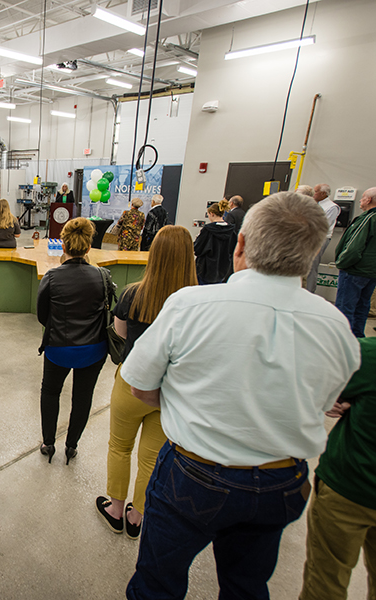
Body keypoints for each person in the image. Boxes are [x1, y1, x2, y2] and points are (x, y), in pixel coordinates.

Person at [121, 191, 361, 600]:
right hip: (281, 481)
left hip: (193, 474)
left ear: (242, 244)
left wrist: (186, 402)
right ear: (313, 252)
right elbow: (328, 402)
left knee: (158, 583)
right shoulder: (336, 325)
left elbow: (139, 385)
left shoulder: (190, 306)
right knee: (247, 585)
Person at [96, 226, 197, 540]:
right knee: (152, 456)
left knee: (119, 446)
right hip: (171, 390)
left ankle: (115, 508)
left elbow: (121, 332)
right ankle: (137, 516)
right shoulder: (197, 302)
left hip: (132, 382)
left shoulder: (132, 293)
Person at [299, 336, 376, 600]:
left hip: (350, 488)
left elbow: (313, 385)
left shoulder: (367, 355)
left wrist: (346, 398)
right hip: (352, 486)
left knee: (325, 583)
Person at [37, 218, 111, 465]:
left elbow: (42, 316)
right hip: (93, 350)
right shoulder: (102, 276)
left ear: (63, 246)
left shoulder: (52, 277)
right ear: (89, 247)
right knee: (83, 397)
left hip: (59, 348)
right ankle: (71, 446)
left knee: (50, 392)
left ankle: (48, 443)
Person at [334, 186, 376, 338]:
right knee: (362, 307)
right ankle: (357, 337)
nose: (360, 199)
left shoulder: (367, 219)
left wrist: (341, 263)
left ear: (369, 200)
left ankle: (342, 339)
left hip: (354, 271)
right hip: (371, 272)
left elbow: (353, 248)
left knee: (346, 307)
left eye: (363, 197)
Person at [306, 183, 340, 293]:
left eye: (315, 191)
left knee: (312, 266)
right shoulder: (312, 204)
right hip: (306, 237)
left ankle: (309, 292)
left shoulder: (331, 207)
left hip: (319, 238)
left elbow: (322, 225)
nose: (313, 194)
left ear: (323, 193)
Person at [194, 198, 237, 284]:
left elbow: (198, 249)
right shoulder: (231, 231)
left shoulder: (208, 230)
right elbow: (232, 250)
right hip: (222, 269)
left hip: (205, 269)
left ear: (212, 214)